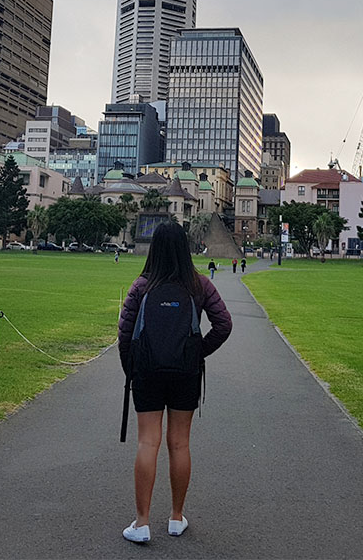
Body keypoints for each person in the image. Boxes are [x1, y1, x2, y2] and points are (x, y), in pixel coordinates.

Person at [118, 223, 232, 543]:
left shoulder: (141, 286)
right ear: (185, 248)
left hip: (147, 372)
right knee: (179, 443)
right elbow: (224, 324)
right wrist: (197, 353)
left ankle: (141, 523)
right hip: (185, 372)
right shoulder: (200, 285)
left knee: (147, 443)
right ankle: (176, 517)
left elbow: (125, 335)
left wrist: (131, 369)